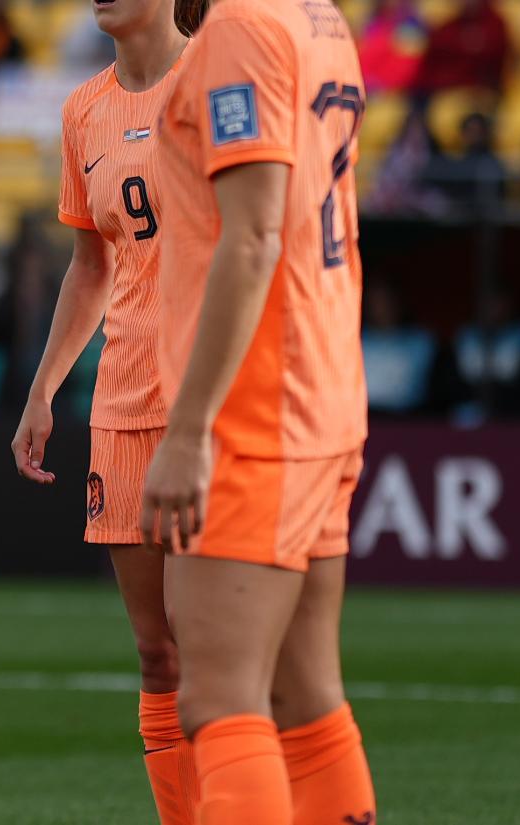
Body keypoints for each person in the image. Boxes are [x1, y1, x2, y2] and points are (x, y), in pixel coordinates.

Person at [142, 0, 377, 822]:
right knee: (304, 697)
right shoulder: (320, 18)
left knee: (220, 699)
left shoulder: (241, 29)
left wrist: (188, 429)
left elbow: (251, 239)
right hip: (321, 385)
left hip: (258, 403)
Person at [10, 0, 196, 821]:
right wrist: (45, 387)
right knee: (158, 655)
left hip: (208, 403)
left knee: (211, 647)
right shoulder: (84, 109)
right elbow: (91, 264)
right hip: (123, 402)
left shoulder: (216, 78)